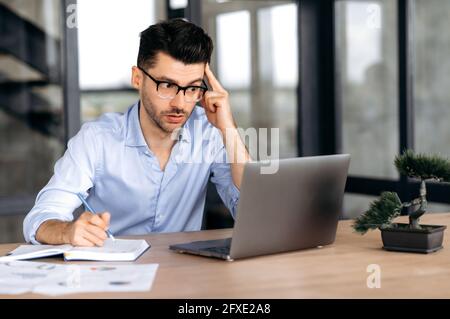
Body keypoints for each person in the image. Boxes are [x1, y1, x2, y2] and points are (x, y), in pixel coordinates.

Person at [23, 18, 250, 246]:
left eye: (192, 88)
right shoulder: (97, 139)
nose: (180, 103)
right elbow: (41, 217)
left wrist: (228, 128)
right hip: (114, 271)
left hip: (183, 271)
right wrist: (66, 231)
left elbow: (249, 210)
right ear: (137, 78)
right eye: (167, 85)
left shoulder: (209, 132)